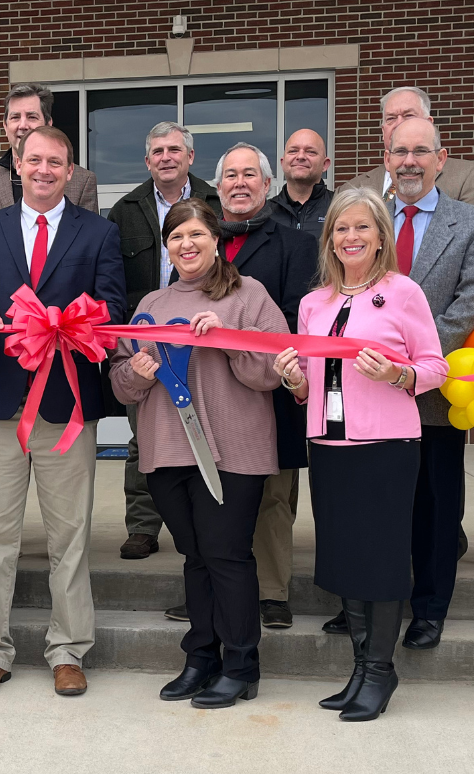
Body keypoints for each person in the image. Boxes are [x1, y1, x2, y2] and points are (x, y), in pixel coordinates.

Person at [0, 126, 124, 698]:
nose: (45, 170)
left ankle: (68, 649)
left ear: (71, 170)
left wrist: (73, 318)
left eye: (56, 162)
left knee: (69, 534)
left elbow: (113, 305)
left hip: (66, 405)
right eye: (35, 161)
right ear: (17, 167)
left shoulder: (98, 233)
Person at [322, 118, 474, 647]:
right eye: (399, 152)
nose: (409, 162)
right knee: (369, 511)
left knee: (433, 509)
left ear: (442, 159)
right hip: (362, 398)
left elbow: (471, 303)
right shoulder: (362, 223)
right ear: (386, 157)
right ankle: (367, 604)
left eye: (421, 151)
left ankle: (428, 608)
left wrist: (405, 362)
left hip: (432, 393)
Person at [274, 187, 448, 720]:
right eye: (341, 229)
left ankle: (381, 670)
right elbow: (313, 382)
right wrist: (293, 380)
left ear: (379, 238)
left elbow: (435, 367)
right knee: (344, 557)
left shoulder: (403, 293)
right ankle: (358, 670)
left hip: (386, 446)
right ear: (329, 240)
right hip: (329, 443)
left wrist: (397, 373)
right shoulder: (313, 303)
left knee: (382, 558)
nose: (351, 237)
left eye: (362, 228)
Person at [111, 199, 287, 707]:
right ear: (166, 246)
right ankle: (201, 656)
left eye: (196, 235)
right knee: (194, 556)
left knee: (226, 555)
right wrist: (135, 375)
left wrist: (231, 341)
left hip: (233, 452)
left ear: (216, 240)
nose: (186, 245)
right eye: (176, 237)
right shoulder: (153, 302)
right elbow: (123, 385)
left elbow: (272, 371)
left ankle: (241, 663)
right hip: (167, 450)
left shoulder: (248, 295)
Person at [163, 142, 317, 630]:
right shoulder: (196, 243)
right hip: (206, 399)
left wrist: (238, 336)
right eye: (229, 175)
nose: (239, 183)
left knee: (272, 497)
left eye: (250, 174)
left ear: (267, 185)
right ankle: (212, 590)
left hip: (271, 387)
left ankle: (271, 592)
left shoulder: (294, 243)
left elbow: (296, 319)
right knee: (210, 506)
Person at [107, 121, 221, 560]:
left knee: (208, 431)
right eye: (158, 151)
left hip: (203, 335)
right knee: (142, 437)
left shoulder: (214, 203)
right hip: (146, 340)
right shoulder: (125, 209)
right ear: (147, 160)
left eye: (175, 149)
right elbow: (114, 282)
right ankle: (142, 525)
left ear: (190, 157)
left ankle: (206, 518)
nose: (166, 157)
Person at [338, 87, 474, 211]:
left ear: (429, 123)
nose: (399, 124)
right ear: (383, 130)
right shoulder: (351, 188)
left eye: (408, 115)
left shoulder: (466, 177)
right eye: (391, 118)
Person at [0, 83, 98, 215]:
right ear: (5, 125)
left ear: (48, 123)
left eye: (32, 117)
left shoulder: (82, 182)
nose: (23, 125)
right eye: (15, 117)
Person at [268, 128, 333, 233]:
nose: (301, 156)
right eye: (293, 151)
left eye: (310, 152)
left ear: (325, 164)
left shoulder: (340, 208)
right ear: (282, 163)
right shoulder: (264, 213)